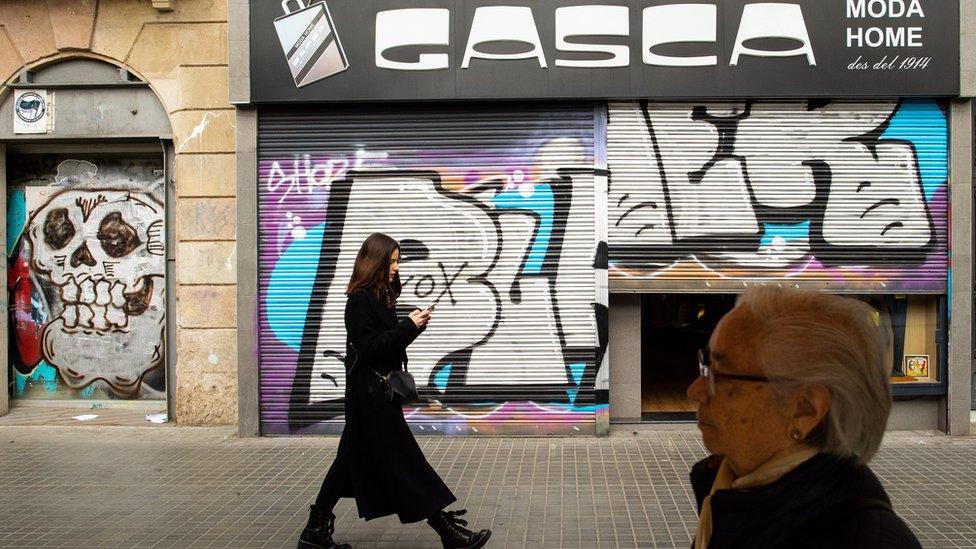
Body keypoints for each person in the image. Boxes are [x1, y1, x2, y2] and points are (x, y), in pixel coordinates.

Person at [686, 286, 921, 549]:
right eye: (707, 365)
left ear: (805, 409)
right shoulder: (730, 488)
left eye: (722, 374)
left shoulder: (864, 540)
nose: (695, 391)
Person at [298, 233, 491, 549]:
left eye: (398, 261)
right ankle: (448, 532)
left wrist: (413, 328)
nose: (396, 268)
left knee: (347, 461)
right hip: (369, 399)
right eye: (392, 262)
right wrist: (407, 327)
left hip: (375, 397)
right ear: (374, 262)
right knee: (407, 463)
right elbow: (370, 348)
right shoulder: (358, 302)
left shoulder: (380, 298)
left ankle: (315, 530)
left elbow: (386, 347)